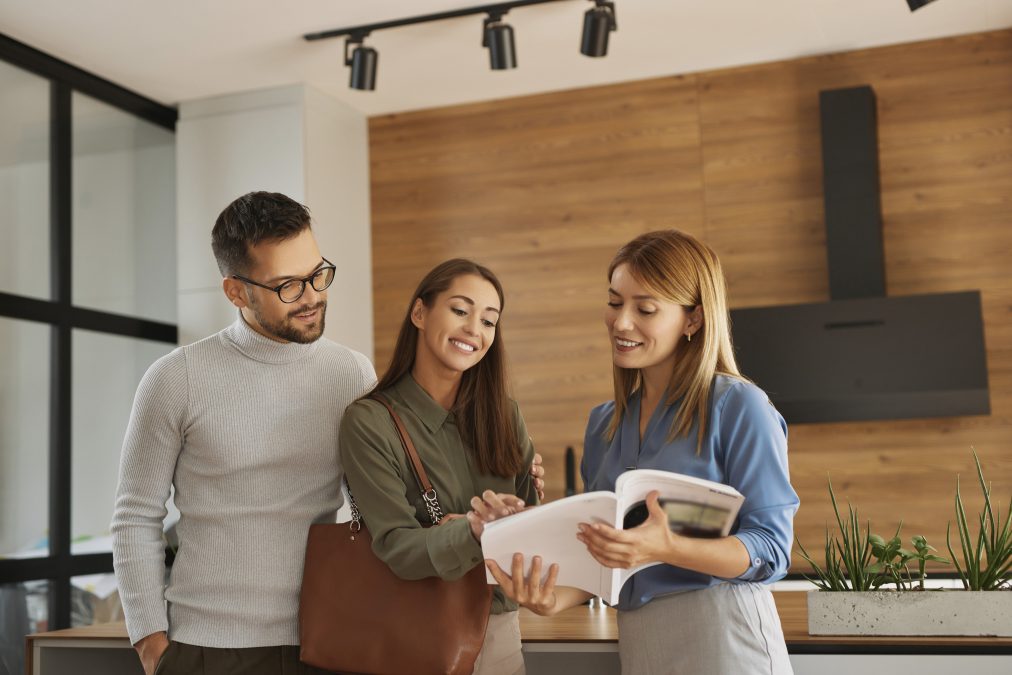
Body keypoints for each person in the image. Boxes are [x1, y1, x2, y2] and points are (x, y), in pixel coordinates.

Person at [486, 230, 800, 675]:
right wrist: (549, 598)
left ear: (692, 319)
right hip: (639, 643)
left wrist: (667, 546)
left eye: (645, 309)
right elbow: (604, 559)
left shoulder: (738, 406)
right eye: (615, 303)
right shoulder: (603, 424)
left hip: (723, 635)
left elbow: (770, 549)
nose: (622, 322)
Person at [339, 258, 541, 675]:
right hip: (411, 632)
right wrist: (471, 531)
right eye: (460, 310)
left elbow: (530, 532)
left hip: (500, 630)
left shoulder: (505, 416)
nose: (474, 330)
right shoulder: (370, 421)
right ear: (419, 313)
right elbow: (397, 547)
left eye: (489, 320)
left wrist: (526, 515)